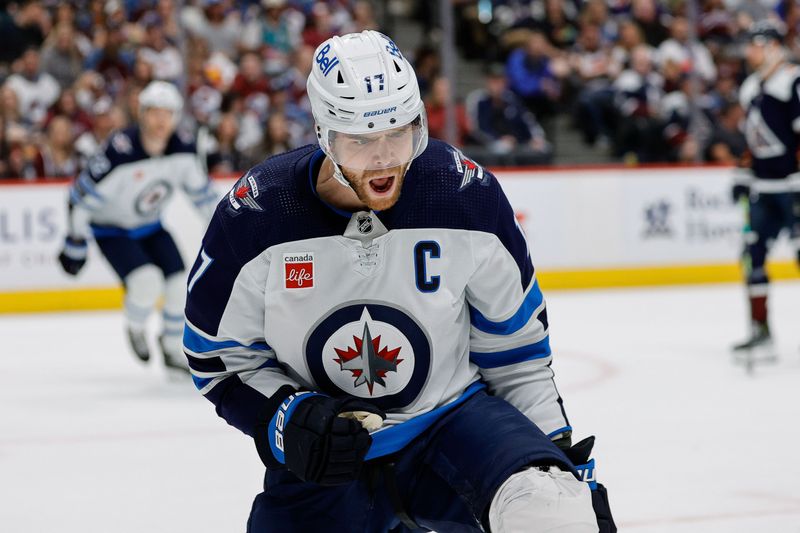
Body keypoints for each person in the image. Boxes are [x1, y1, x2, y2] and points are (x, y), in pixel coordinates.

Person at [183, 31, 615, 532]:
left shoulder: (464, 196)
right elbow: (216, 357)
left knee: (552, 510)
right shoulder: (257, 214)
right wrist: (286, 418)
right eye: (361, 140)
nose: (385, 156)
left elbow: (517, 354)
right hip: (328, 454)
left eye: (399, 131)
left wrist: (560, 460)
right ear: (325, 134)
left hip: (452, 425)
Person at [57, 81, 218, 371]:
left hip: (151, 226)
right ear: (141, 114)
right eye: (154, 112)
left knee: (178, 285)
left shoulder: (183, 149)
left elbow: (203, 197)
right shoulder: (119, 151)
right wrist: (75, 244)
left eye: (167, 113)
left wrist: (224, 229)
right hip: (111, 230)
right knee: (146, 282)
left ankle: (171, 349)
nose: (161, 120)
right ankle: (135, 326)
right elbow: (79, 200)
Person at [733, 20, 800, 361]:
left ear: (771, 45)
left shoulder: (792, 81)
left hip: (792, 185)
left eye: (754, 45)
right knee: (752, 256)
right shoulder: (750, 87)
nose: (748, 52)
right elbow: (751, 140)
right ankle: (760, 330)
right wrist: (742, 172)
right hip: (763, 187)